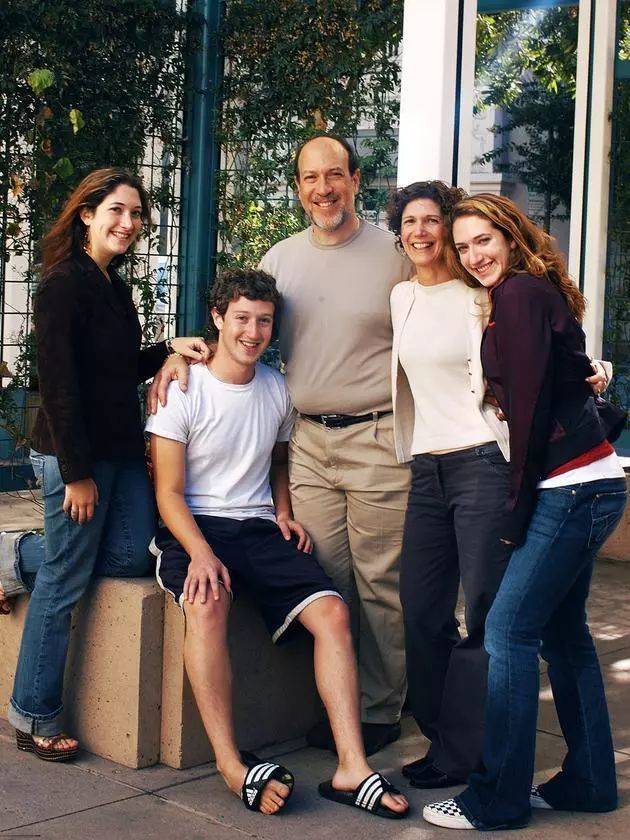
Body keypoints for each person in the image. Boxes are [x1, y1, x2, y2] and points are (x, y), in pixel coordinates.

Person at [149, 132, 412, 756]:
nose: (323, 188)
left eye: (335, 175)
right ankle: (335, 706)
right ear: (298, 187)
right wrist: (180, 354)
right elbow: (244, 321)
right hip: (308, 440)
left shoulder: (394, 256)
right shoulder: (281, 259)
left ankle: (379, 710)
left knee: (382, 584)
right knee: (329, 575)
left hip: (376, 434)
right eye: (310, 178)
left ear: (355, 180)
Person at [146, 268, 409, 819]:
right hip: (196, 526)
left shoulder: (276, 388)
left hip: (260, 527)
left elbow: (278, 460)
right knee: (208, 601)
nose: (253, 332)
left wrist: (284, 512)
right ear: (217, 319)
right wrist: (200, 553)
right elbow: (167, 492)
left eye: (264, 321)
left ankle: (351, 766)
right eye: (241, 318)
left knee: (334, 613)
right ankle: (231, 764)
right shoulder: (183, 388)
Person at [423, 193, 627, 831]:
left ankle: (497, 797)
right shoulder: (525, 294)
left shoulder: (518, 295)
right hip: (588, 483)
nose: (473, 255)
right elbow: (563, 376)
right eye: (463, 246)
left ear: (511, 237)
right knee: (565, 636)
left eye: (484, 240)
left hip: (570, 488)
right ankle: (590, 781)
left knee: (509, 632)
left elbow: (532, 410)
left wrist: (516, 507)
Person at [0, 168, 208, 760]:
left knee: (129, 556)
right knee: (65, 578)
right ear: (87, 214)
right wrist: (76, 474)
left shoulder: (114, 285)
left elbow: (117, 370)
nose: (129, 222)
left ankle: (12, 556)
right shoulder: (63, 284)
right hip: (77, 456)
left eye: (137, 213)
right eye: (117, 209)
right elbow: (58, 385)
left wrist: (169, 348)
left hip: (120, 450)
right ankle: (34, 715)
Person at [388, 180, 512, 788]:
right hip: (427, 467)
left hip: (482, 461)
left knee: (485, 608)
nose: (420, 232)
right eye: (409, 222)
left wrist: (593, 370)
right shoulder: (401, 296)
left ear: (448, 229)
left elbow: (528, 354)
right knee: (420, 608)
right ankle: (443, 738)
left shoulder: (478, 295)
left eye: (431, 220)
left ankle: (470, 752)